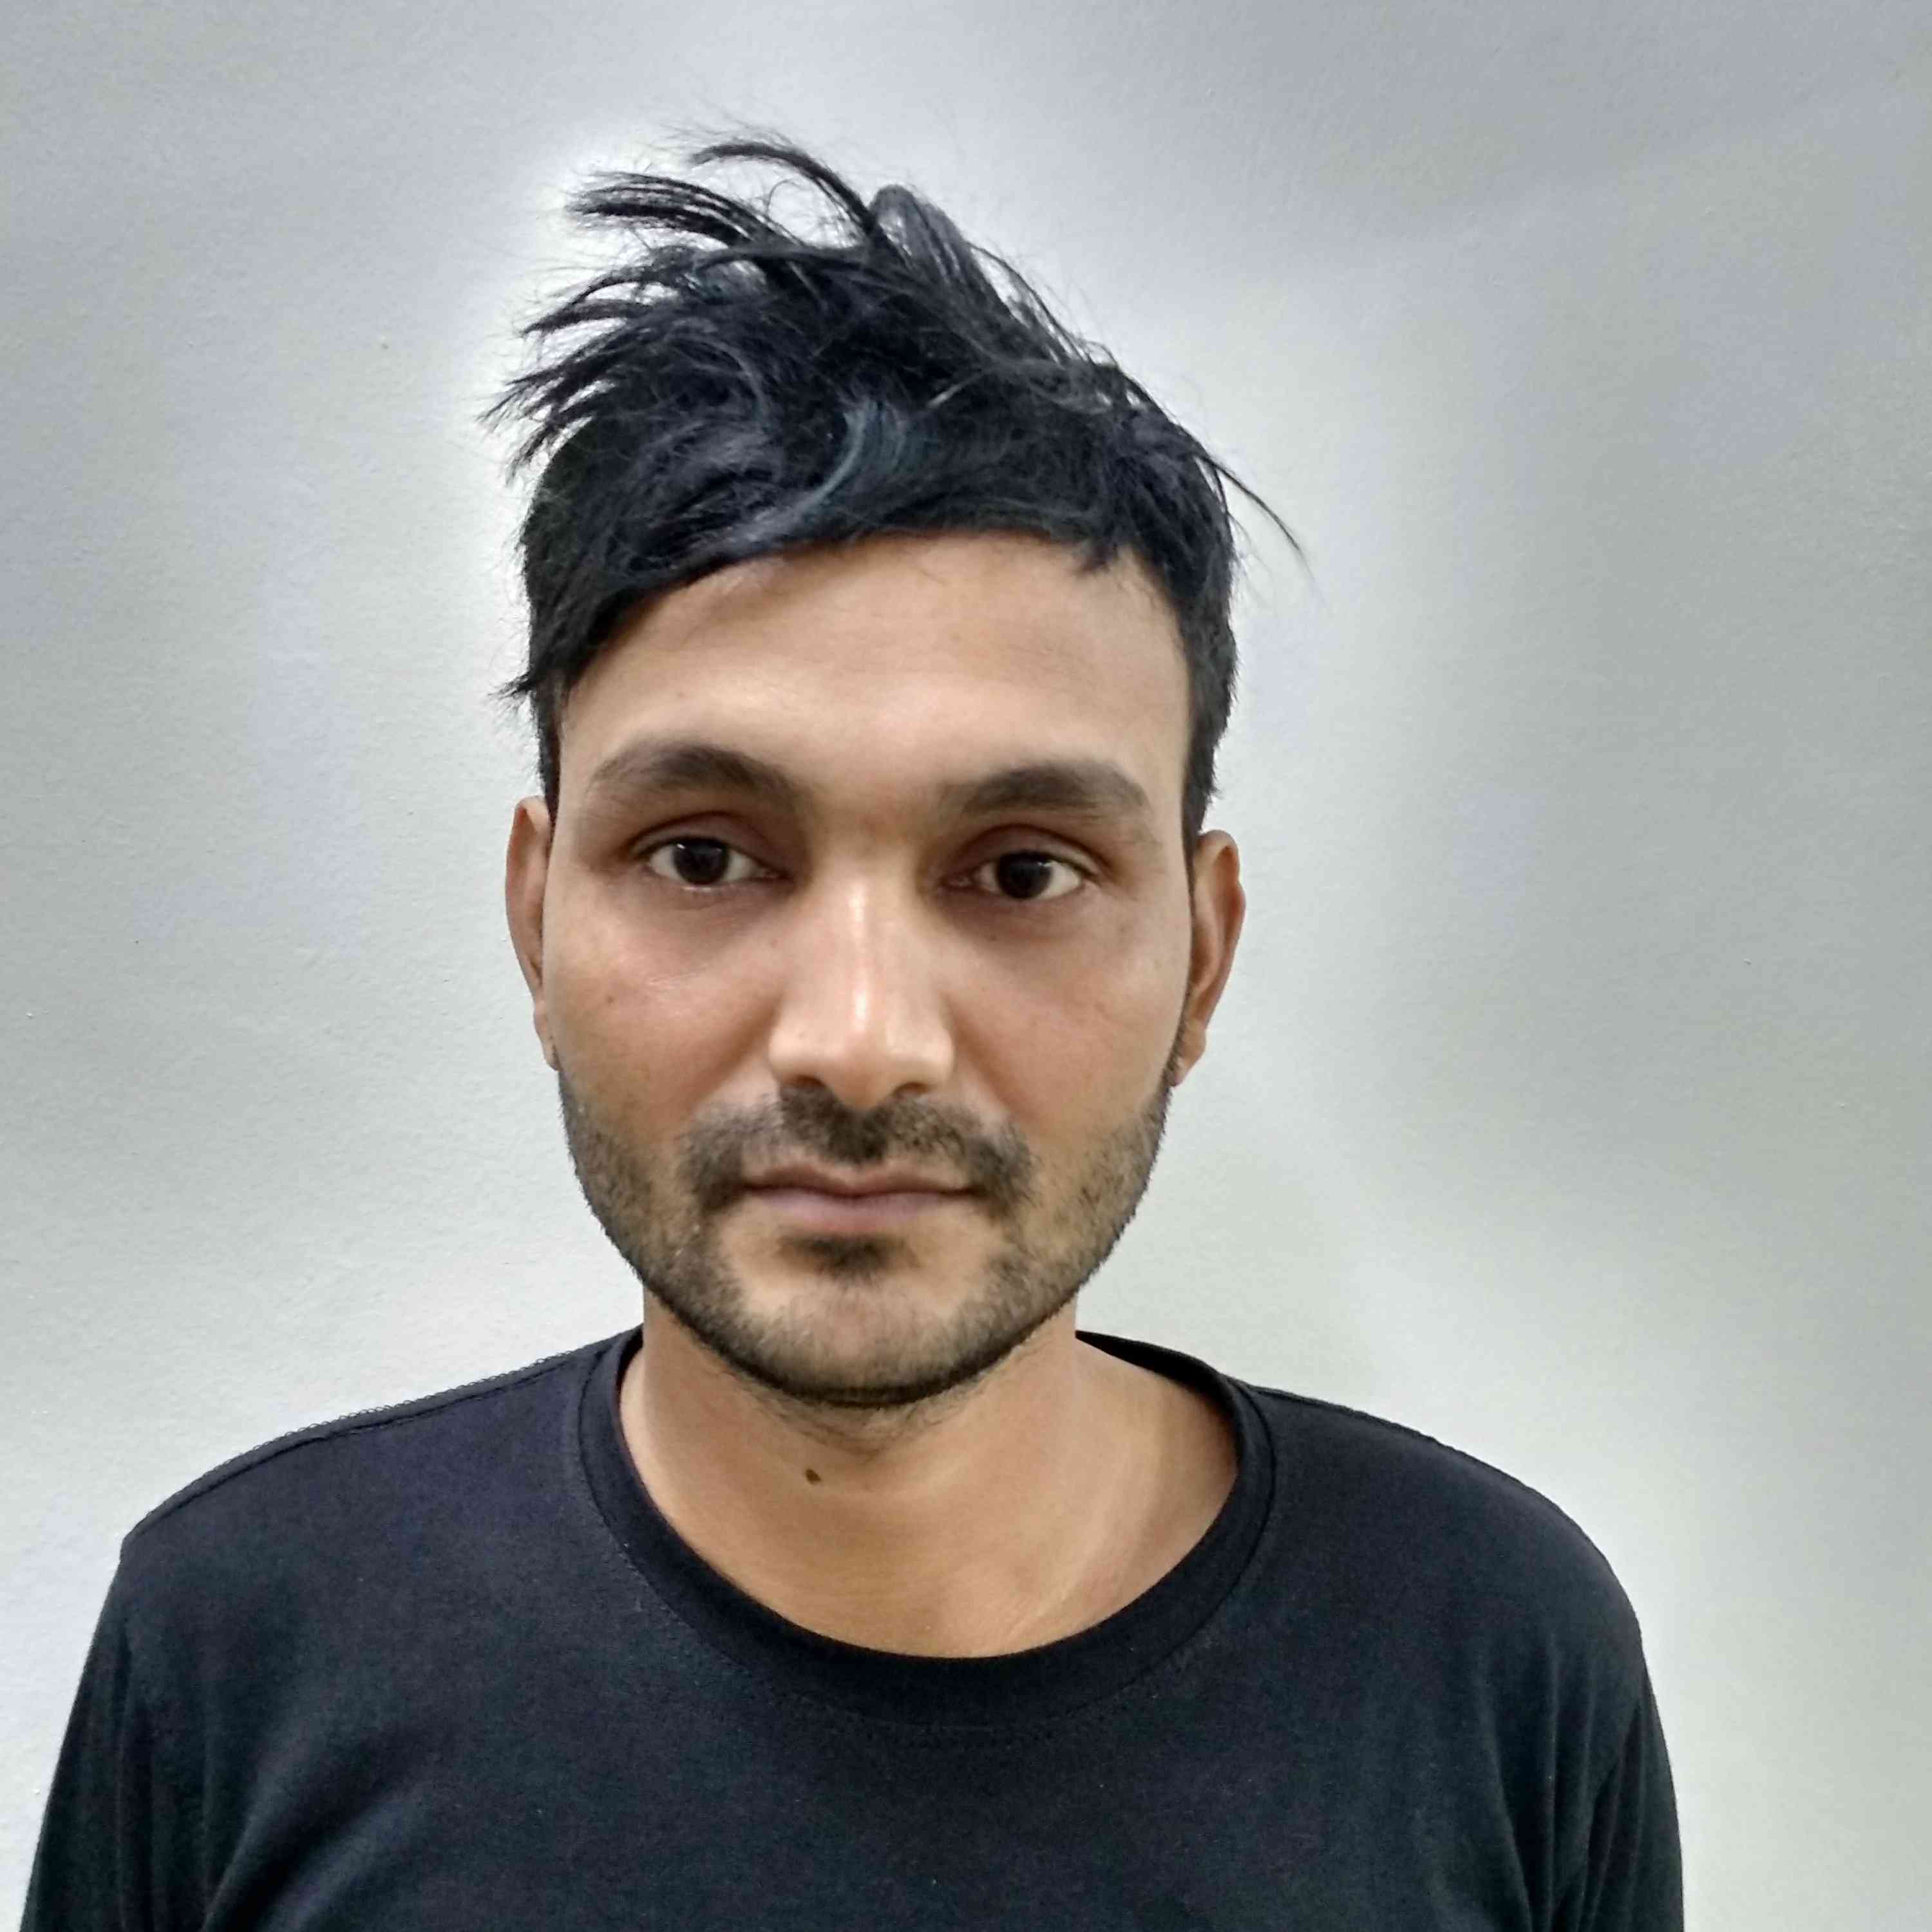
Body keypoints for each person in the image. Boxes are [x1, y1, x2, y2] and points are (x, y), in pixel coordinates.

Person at [23, 140, 1681, 1929]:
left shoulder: (1494, 1655)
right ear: (536, 919)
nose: (862, 1044)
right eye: (706, 856)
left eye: (1024, 871)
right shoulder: (244, 1643)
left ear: (1202, 960)